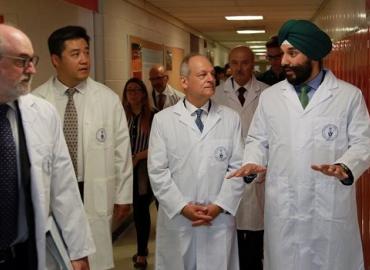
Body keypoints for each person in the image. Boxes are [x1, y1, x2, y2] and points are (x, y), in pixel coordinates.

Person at [229, 19, 370, 270]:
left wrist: (346, 167)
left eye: (292, 54)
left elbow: (363, 143)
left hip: (329, 208)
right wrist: (252, 161)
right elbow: (257, 139)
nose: (283, 62)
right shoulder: (271, 97)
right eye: (283, 54)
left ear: (313, 55)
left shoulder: (348, 96)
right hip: (285, 209)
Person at [33, 25, 133, 270]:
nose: (85, 60)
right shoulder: (36, 101)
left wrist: (123, 195)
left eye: (86, 52)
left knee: (95, 260)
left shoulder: (107, 99)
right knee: (56, 258)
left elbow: (122, 151)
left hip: (93, 188)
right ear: (56, 59)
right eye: (75, 54)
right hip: (54, 192)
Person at [0, 24, 95, 270]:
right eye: (22, 61)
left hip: (25, 253)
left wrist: (78, 251)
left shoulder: (42, 113)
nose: (32, 69)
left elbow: (63, 187)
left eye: (32, 60)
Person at [148, 53, 245, 270]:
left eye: (212, 73)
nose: (211, 78)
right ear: (184, 82)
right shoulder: (163, 121)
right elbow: (157, 172)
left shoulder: (230, 119)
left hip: (217, 220)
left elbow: (238, 169)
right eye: (202, 74)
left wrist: (219, 206)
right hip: (179, 220)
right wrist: (182, 207)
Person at [213, 46, 268, 270]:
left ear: (252, 63)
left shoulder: (267, 93)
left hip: (260, 176)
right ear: (229, 65)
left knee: (255, 242)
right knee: (228, 240)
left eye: (244, 62)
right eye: (234, 63)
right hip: (227, 174)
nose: (239, 68)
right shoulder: (216, 95)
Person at [122, 78, 156, 270]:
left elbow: (160, 145)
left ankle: (149, 251)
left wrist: (138, 156)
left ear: (144, 93)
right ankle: (142, 251)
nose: (133, 94)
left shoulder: (153, 116)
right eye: (129, 91)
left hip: (149, 169)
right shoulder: (121, 115)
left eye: (137, 90)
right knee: (140, 212)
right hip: (128, 169)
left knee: (155, 209)